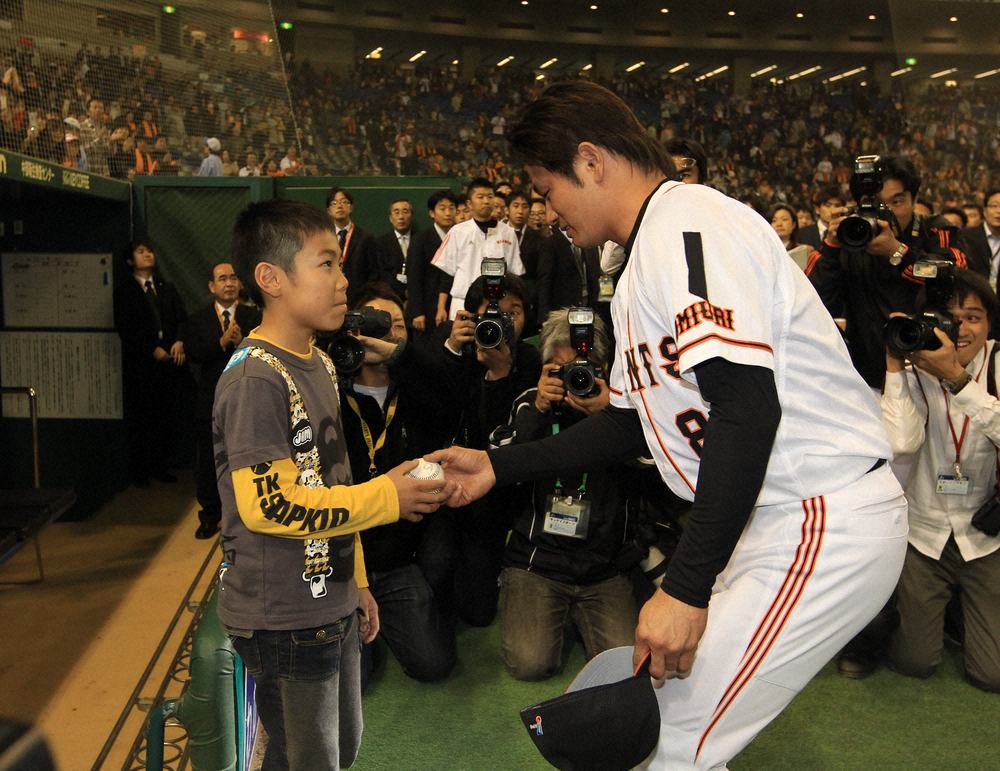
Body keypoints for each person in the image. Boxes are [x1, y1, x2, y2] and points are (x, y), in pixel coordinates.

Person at [428, 81, 908, 771]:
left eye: (547, 186)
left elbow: (746, 405)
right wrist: (499, 465)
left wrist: (683, 585)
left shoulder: (690, 225)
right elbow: (630, 424)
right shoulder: (645, 251)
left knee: (664, 737)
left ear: (590, 162)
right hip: (776, 515)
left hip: (823, 515)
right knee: (658, 723)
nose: (547, 209)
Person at [215, 199, 453, 770]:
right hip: (284, 617)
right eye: (326, 264)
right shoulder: (255, 378)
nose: (343, 279)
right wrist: (388, 499)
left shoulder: (319, 363)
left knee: (338, 748)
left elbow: (333, 479)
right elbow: (270, 505)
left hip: (331, 597)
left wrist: (357, 581)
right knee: (310, 758)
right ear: (270, 279)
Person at [490, 309, 642, 681]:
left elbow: (658, 467)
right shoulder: (531, 403)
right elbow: (498, 463)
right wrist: (539, 411)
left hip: (604, 565)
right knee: (530, 664)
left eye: (585, 367)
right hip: (538, 562)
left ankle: (577, 612)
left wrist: (610, 417)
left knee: (624, 670)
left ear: (605, 367)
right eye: (562, 369)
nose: (577, 377)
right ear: (545, 369)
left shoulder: (626, 411)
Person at [880, 269, 1000, 693]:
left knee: (993, 675)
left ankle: (961, 614)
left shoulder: (999, 364)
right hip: (925, 533)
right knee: (914, 662)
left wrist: (957, 379)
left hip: (986, 535)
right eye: (949, 317)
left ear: (989, 323)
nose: (961, 328)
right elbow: (901, 443)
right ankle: (940, 615)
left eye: (973, 317)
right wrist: (896, 364)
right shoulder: (916, 368)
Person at [337, 282, 459, 686]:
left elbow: (450, 389)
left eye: (396, 325)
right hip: (344, 561)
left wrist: (395, 354)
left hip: (395, 561)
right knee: (357, 678)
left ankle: (394, 618)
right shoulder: (329, 392)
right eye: (372, 323)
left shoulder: (419, 391)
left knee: (433, 665)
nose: (385, 332)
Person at [807, 156, 967, 389]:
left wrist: (898, 251)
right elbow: (815, 302)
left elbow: (956, 275)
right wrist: (831, 248)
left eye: (896, 202)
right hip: (867, 377)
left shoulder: (935, 229)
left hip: (930, 374)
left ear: (915, 199)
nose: (885, 212)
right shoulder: (852, 239)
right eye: (874, 204)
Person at [183, 262, 261, 540]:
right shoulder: (198, 318)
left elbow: (262, 352)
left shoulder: (255, 316)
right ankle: (210, 516)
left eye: (233, 277)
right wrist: (221, 342)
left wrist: (242, 342)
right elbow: (193, 353)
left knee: (248, 459)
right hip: (210, 400)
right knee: (208, 463)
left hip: (247, 400)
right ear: (211, 286)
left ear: (241, 284)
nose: (229, 283)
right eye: (222, 278)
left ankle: (247, 516)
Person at [113, 239, 188, 488]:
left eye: (150, 251)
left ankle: (161, 467)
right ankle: (140, 471)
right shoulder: (125, 290)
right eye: (141, 252)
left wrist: (178, 341)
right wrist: (150, 349)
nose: (148, 255)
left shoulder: (166, 287)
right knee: (141, 419)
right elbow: (124, 327)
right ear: (129, 260)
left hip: (168, 365)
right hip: (140, 367)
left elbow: (181, 319)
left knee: (164, 417)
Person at [431, 177, 523, 321]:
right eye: (480, 197)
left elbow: (514, 273)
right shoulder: (457, 231)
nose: (486, 201)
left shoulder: (508, 232)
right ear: (469, 203)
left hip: (498, 301)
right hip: (462, 301)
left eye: (490, 197)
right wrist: (441, 307)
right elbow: (446, 274)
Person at [406, 190, 458, 347]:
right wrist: (417, 312)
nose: (448, 213)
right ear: (432, 213)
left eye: (451, 208)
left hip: (451, 306)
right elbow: (414, 277)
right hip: (426, 309)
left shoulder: (459, 236)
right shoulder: (421, 239)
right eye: (442, 208)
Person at [326, 186, 379, 293]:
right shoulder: (324, 237)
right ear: (329, 210)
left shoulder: (365, 237)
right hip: (331, 294)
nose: (339, 206)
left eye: (344, 202)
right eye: (334, 203)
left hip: (358, 296)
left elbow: (374, 274)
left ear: (351, 207)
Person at [375, 199, 415, 302]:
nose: (401, 217)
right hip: (391, 297)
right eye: (396, 213)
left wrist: (413, 292)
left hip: (417, 297)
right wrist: (402, 292)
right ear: (390, 218)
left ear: (412, 216)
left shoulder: (420, 239)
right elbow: (382, 273)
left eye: (405, 212)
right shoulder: (381, 242)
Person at [797, 183, 845, 250]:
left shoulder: (845, 233)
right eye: (828, 205)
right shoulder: (802, 234)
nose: (833, 210)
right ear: (817, 209)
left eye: (837, 206)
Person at [768, 203, 810, 271]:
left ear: (793, 224)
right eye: (774, 221)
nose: (779, 224)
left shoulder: (805, 250)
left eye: (784, 219)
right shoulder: (764, 251)